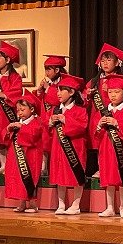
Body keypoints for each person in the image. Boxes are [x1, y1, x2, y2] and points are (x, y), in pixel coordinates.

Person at [95, 74, 123, 218]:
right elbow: (96, 135)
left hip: (122, 149)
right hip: (105, 149)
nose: (113, 95)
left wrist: (117, 123)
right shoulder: (102, 112)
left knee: (122, 178)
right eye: (110, 92)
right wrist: (99, 125)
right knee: (108, 178)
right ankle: (109, 207)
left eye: (116, 92)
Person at [49, 74, 88, 215]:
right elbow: (47, 130)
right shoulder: (55, 110)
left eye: (61, 90)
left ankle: (76, 205)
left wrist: (65, 120)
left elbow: (82, 127)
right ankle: (61, 204)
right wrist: (50, 123)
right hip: (58, 147)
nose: (58, 93)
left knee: (76, 174)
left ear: (71, 92)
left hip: (75, 147)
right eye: (57, 90)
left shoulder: (81, 110)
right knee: (59, 175)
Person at [86, 44, 123, 177]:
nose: (105, 63)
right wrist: (88, 95)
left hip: (112, 116)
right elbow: (84, 101)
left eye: (109, 60)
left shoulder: (120, 80)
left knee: (110, 144)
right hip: (95, 117)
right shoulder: (94, 81)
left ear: (117, 63)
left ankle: (109, 169)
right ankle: (100, 168)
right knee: (97, 144)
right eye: (103, 61)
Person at [0, 43, 24, 175]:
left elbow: (17, 92)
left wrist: (4, 95)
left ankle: (11, 164)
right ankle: (3, 164)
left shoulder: (15, 77)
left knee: (9, 137)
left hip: (8, 112)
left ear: (7, 60)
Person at [5, 90, 44, 213]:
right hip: (17, 155)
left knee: (30, 178)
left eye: (22, 110)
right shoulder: (18, 123)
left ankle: (33, 204)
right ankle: (21, 203)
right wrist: (8, 130)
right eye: (18, 110)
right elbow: (7, 139)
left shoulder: (37, 121)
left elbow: (33, 136)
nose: (20, 113)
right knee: (19, 179)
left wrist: (22, 128)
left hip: (32, 156)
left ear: (31, 109)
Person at [34, 54, 69, 174]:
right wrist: (40, 91)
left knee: (55, 142)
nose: (46, 73)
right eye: (46, 69)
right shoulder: (50, 83)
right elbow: (39, 101)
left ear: (57, 70)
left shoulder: (65, 83)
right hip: (46, 115)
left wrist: (48, 89)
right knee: (44, 140)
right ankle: (43, 167)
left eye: (49, 69)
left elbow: (57, 100)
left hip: (58, 115)